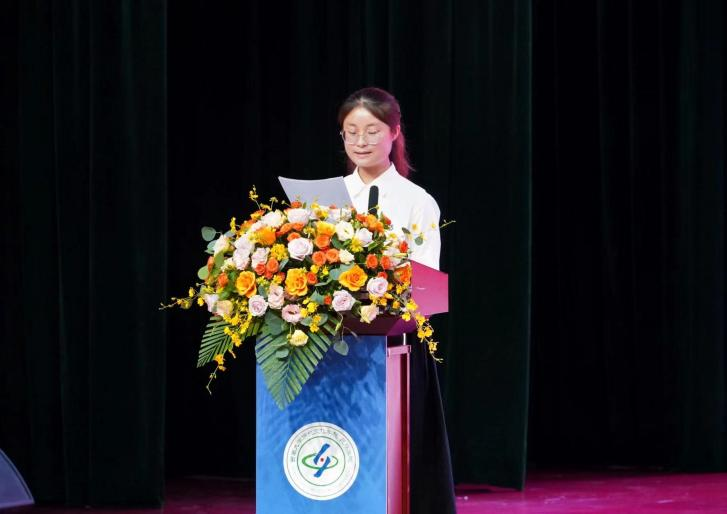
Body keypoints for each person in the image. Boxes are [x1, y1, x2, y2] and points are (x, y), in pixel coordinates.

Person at [338, 87, 457, 514]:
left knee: (397, 460)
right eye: (351, 131)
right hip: (332, 343)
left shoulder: (416, 201)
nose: (361, 141)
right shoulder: (325, 199)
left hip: (397, 345)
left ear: (394, 132)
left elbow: (425, 279)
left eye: (372, 130)